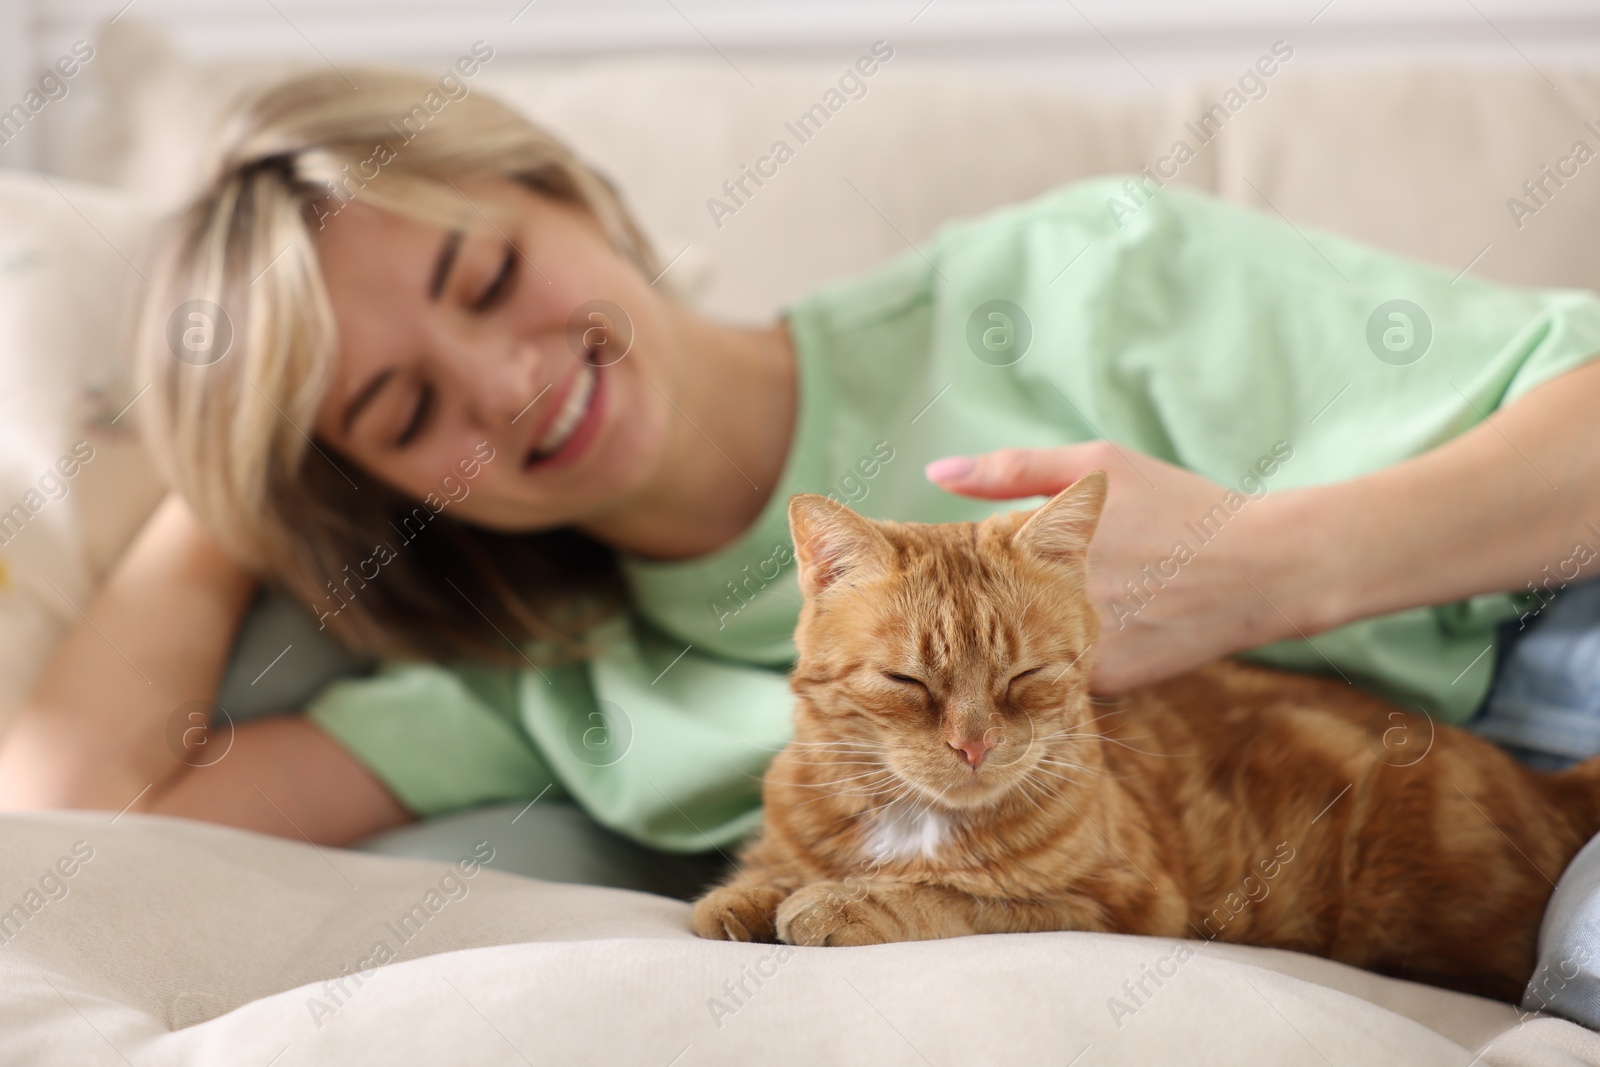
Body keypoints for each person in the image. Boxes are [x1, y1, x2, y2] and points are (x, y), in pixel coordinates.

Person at [4, 66, 1600, 880]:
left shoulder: (1064, 279)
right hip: (1480, 865)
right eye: (405, 409)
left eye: (489, 280)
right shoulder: (554, 689)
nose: (510, 382)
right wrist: (236, 497)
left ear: (564, 192)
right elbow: (76, 820)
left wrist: (1274, 564)